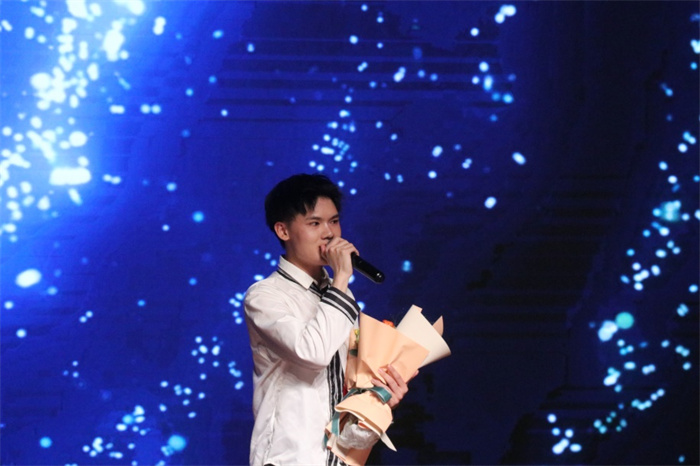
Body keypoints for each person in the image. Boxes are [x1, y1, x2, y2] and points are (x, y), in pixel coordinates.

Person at [244, 173, 410, 465]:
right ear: (283, 230)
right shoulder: (265, 296)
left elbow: (347, 431)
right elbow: (314, 353)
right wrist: (342, 277)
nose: (330, 234)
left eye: (334, 221)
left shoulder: (340, 296)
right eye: (315, 223)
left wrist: (378, 402)